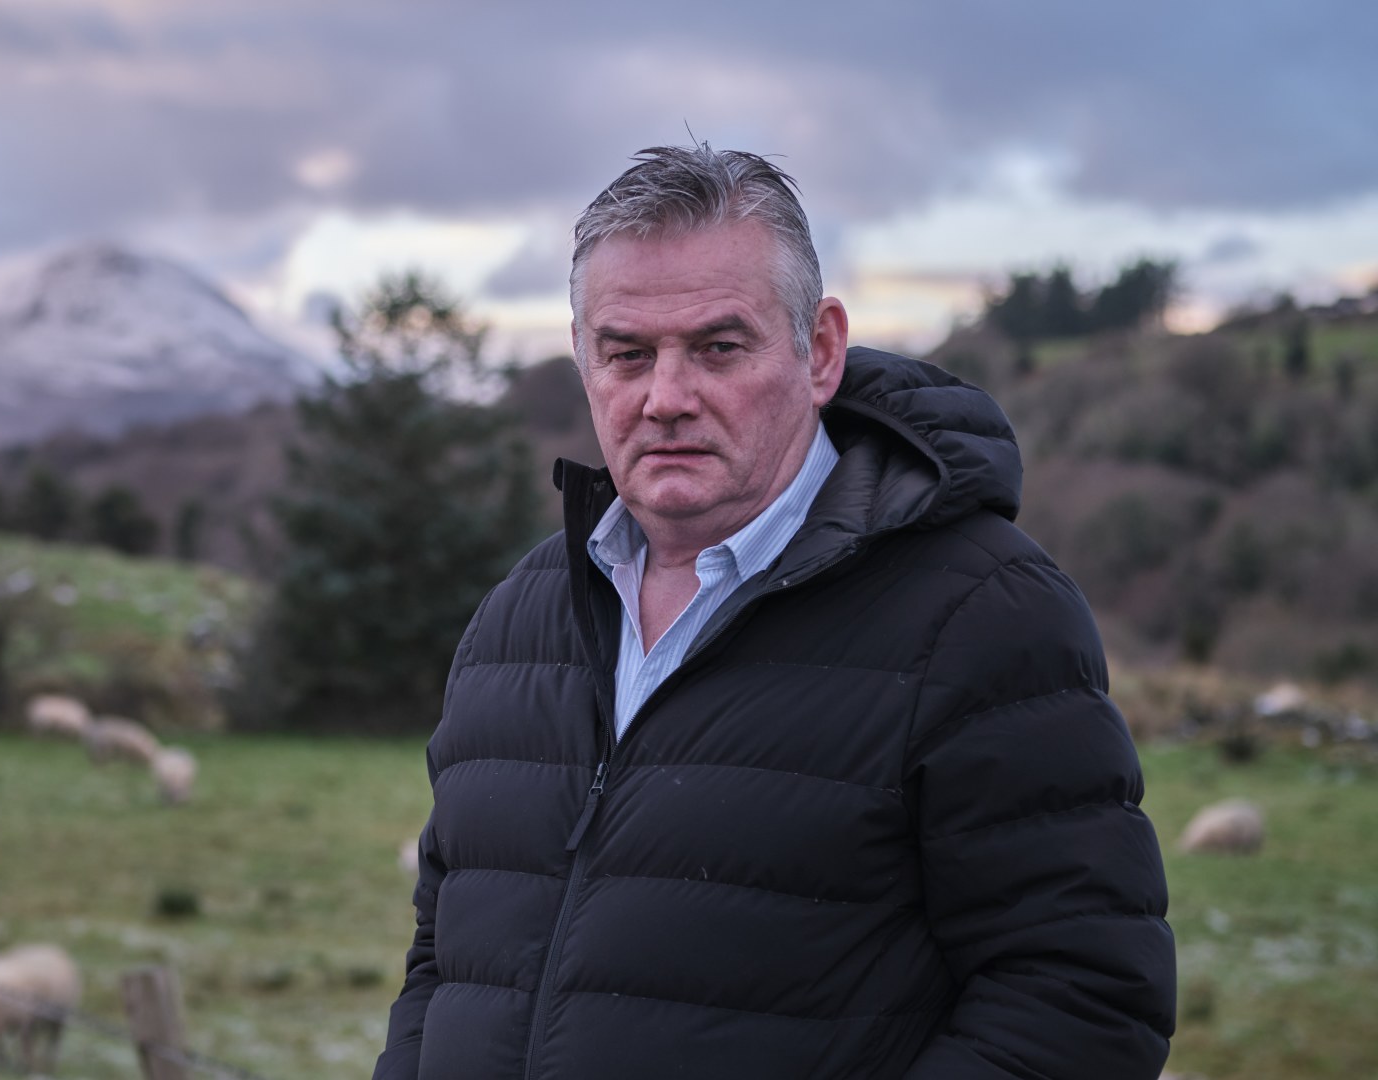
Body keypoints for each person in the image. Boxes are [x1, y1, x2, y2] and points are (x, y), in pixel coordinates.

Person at [372, 145, 1174, 1079]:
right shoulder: (517, 620)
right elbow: (444, 959)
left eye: (719, 348)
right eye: (627, 354)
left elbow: (1080, 1000)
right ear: (584, 357)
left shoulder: (981, 615)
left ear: (819, 350)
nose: (666, 399)